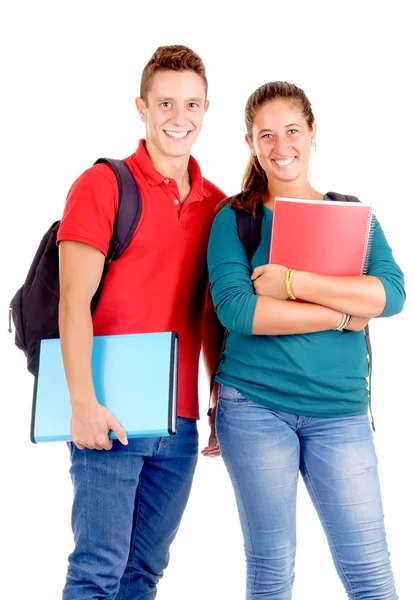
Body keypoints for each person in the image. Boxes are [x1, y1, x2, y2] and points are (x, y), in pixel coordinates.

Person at [205, 81, 405, 599]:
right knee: (272, 569)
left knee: (371, 574)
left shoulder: (351, 214)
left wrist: (293, 283)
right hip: (254, 407)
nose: (281, 145)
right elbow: (239, 311)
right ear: (250, 143)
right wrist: (343, 314)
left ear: (312, 134)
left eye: (292, 130)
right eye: (265, 135)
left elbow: (391, 294)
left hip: (340, 412)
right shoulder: (235, 218)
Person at [57, 45, 225, 599]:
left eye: (192, 104)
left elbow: (211, 313)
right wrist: (82, 404)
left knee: (142, 576)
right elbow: (72, 302)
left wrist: (215, 402)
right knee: (96, 573)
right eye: (167, 104)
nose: (180, 118)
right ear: (143, 107)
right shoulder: (103, 186)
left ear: (206, 110)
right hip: (109, 415)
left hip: (177, 426)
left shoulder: (217, 206)